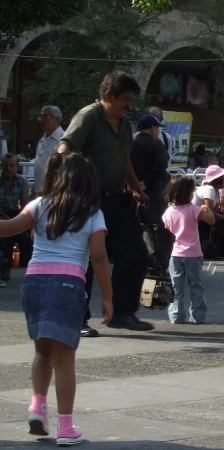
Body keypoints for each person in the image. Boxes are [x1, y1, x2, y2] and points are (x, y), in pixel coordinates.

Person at [0, 153, 112, 446]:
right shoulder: (92, 213)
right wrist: (109, 297)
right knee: (65, 359)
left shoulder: (39, 205)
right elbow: (99, 257)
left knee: (42, 352)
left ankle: (37, 407)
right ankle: (65, 427)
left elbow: (8, 227)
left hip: (34, 282)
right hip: (68, 285)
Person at [58, 71, 153, 334]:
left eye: (132, 100)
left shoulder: (124, 123)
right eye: (126, 99)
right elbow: (64, 149)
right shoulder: (88, 117)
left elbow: (125, 160)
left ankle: (123, 313)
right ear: (108, 96)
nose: (129, 105)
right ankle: (78, 319)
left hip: (117, 199)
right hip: (87, 201)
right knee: (86, 259)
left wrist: (136, 189)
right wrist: (61, 185)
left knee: (136, 253)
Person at [161, 176, 215, 324]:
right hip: (193, 254)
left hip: (175, 254)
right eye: (192, 192)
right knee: (196, 286)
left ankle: (176, 316)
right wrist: (207, 209)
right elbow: (211, 220)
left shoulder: (168, 212)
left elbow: (167, 229)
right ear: (188, 194)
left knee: (176, 287)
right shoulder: (193, 209)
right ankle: (198, 316)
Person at [130, 114, 169, 225]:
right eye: (157, 128)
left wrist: (136, 185)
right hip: (155, 191)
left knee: (136, 223)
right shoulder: (157, 144)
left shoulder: (131, 144)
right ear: (152, 128)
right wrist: (146, 183)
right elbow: (161, 166)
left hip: (133, 190)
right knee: (158, 225)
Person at [0, 153, 32, 277]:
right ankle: (4, 270)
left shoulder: (22, 181)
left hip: (15, 211)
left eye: (12, 165)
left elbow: (24, 204)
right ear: (1, 166)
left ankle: (28, 265)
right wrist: (10, 220)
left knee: (28, 230)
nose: (9, 168)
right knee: (4, 233)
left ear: (17, 167)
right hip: (2, 212)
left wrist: (20, 220)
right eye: (6, 165)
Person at [193, 165, 224, 260]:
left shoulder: (215, 190)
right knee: (217, 224)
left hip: (202, 217)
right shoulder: (209, 190)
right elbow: (210, 212)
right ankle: (213, 252)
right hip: (196, 219)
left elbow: (215, 210)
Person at [34, 106, 65, 196]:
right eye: (41, 117)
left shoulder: (63, 139)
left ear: (56, 119)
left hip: (55, 192)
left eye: (45, 117)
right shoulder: (42, 140)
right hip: (40, 192)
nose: (41, 120)